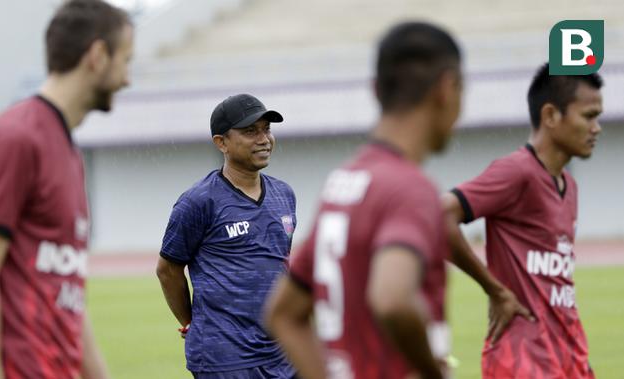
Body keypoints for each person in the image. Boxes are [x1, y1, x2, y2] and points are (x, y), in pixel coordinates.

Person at [265, 22, 463, 379]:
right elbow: (393, 299)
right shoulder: (410, 188)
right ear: (447, 89)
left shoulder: (342, 183)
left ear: (376, 91)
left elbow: (282, 313)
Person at [0, 1, 134, 378]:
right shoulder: (15, 138)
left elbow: (65, 291)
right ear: (98, 55)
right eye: (125, 59)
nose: (127, 78)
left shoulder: (69, 153)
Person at [442, 63, 602, 378]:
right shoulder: (516, 172)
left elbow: (554, 283)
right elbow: (440, 215)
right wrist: (496, 290)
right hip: (522, 362)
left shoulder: (569, 187)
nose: (597, 127)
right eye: (588, 116)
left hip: (566, 359)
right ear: (551, 116)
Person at [156, 93, 297, 378]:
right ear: (221, 142)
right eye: (250, 132)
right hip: (225, 357)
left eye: (266, 129)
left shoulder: (284, 195)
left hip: (282, 351)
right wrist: (192, 322)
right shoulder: (198, 201)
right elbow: (168, 270)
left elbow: (280, 265)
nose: (263, 139)